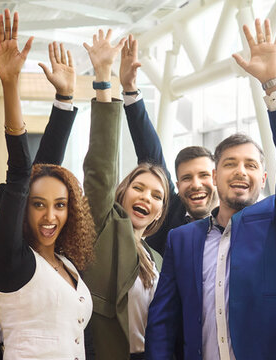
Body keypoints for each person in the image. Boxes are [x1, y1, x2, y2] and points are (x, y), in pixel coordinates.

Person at [145, 19, 276, 359]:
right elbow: (163, 322)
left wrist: (272, 86)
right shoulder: (183, 239)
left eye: (251, 165)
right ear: (215, 175)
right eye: (230, 163)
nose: (240, 171)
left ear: (263, 178)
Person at [0, 9, 95, 359]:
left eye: (60, 205)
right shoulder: (11, 259)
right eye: (38, 204)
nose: (50, 215)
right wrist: (10, 84)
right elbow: (22, 172)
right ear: (22, 208)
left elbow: (45, 170)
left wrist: (65, 99)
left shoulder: (67, 263)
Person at [78, 30, 171, 360]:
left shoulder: (157, 260)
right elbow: (100, 168)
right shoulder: (106, 226)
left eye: (157, 195)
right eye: (139, 187)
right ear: (122, 193)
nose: (147, 197)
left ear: (161, 211)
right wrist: (104, 80)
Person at [118, 34, 218, 256]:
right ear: (176, 184)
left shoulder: (235, 220)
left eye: (204, 175)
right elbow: (149, 154)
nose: (196, 184)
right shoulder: (169, 211)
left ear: (217, 177)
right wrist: (130, 90)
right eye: (186, 178)